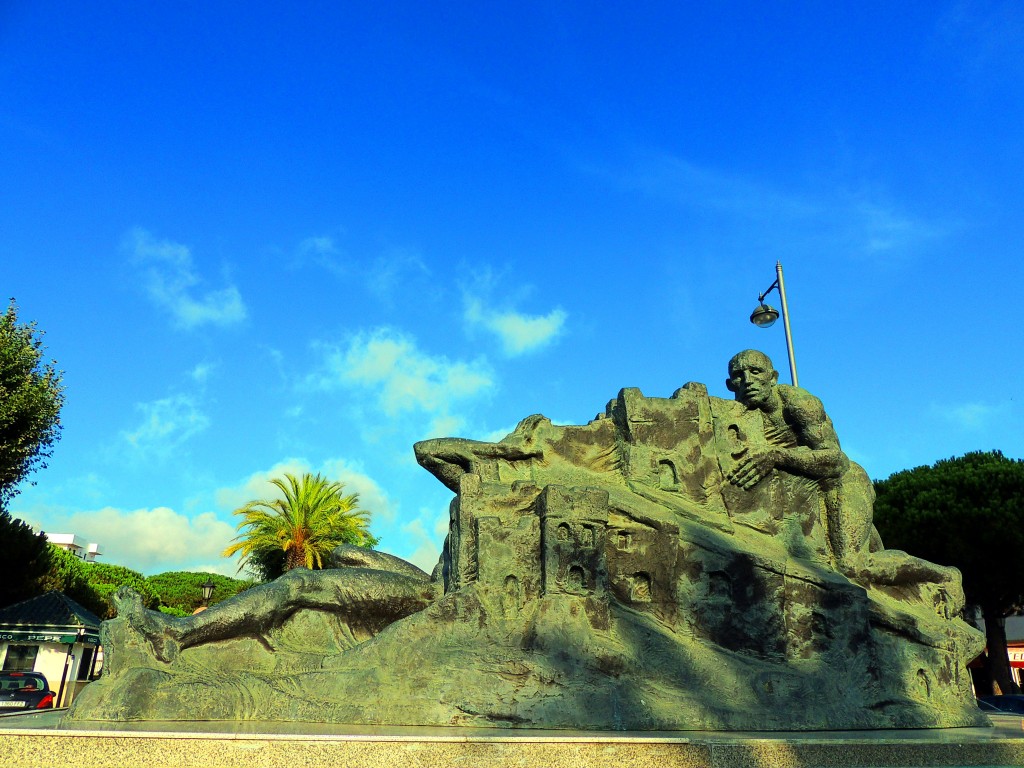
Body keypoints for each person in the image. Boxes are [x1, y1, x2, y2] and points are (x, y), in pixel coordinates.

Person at [725, 350, 964, 612]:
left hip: (843, 483)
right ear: (730, 385)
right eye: (739, 375)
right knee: (867, 565)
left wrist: (776, 455)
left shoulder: (797, 402)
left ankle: (945, 575)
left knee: (853, 566)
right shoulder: (740, 416)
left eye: (755, 372)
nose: (747, 380)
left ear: (773, 377)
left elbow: (836, 460)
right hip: (808, 495)